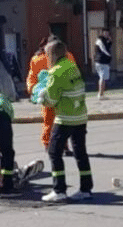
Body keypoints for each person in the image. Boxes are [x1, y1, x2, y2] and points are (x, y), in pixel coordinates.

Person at [37, 40, 93, 202]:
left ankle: (59, 190)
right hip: (80, 116)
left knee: (54, 152)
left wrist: (42, 98)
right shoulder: (72, 66)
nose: (46, 58)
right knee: (80, 152)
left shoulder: (55, 72)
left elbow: (52, 100)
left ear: (53, 55)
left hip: (65, 118)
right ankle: (86, 188)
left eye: (47, 55)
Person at [26, 35, 76, 156]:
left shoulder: (38, 59)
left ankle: (52, 145)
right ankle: (57, 145)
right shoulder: (67, 56)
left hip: (50, 94)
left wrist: (33, 90)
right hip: (58, 93)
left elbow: (32, 77)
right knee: (58, 121)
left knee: (52, 121)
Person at [94, 28, 112, 100]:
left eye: (108, 33)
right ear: (102, 33)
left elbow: (107, 47)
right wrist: (109, 55)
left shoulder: (105, 40)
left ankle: (102, 94)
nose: (107, 34)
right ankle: (100, 94)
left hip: (103, 61)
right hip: (101, 61)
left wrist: (110, 42)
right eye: (105, 33)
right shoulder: (100, 40)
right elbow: (104, 50)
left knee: (103, 78)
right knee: (102, 77)